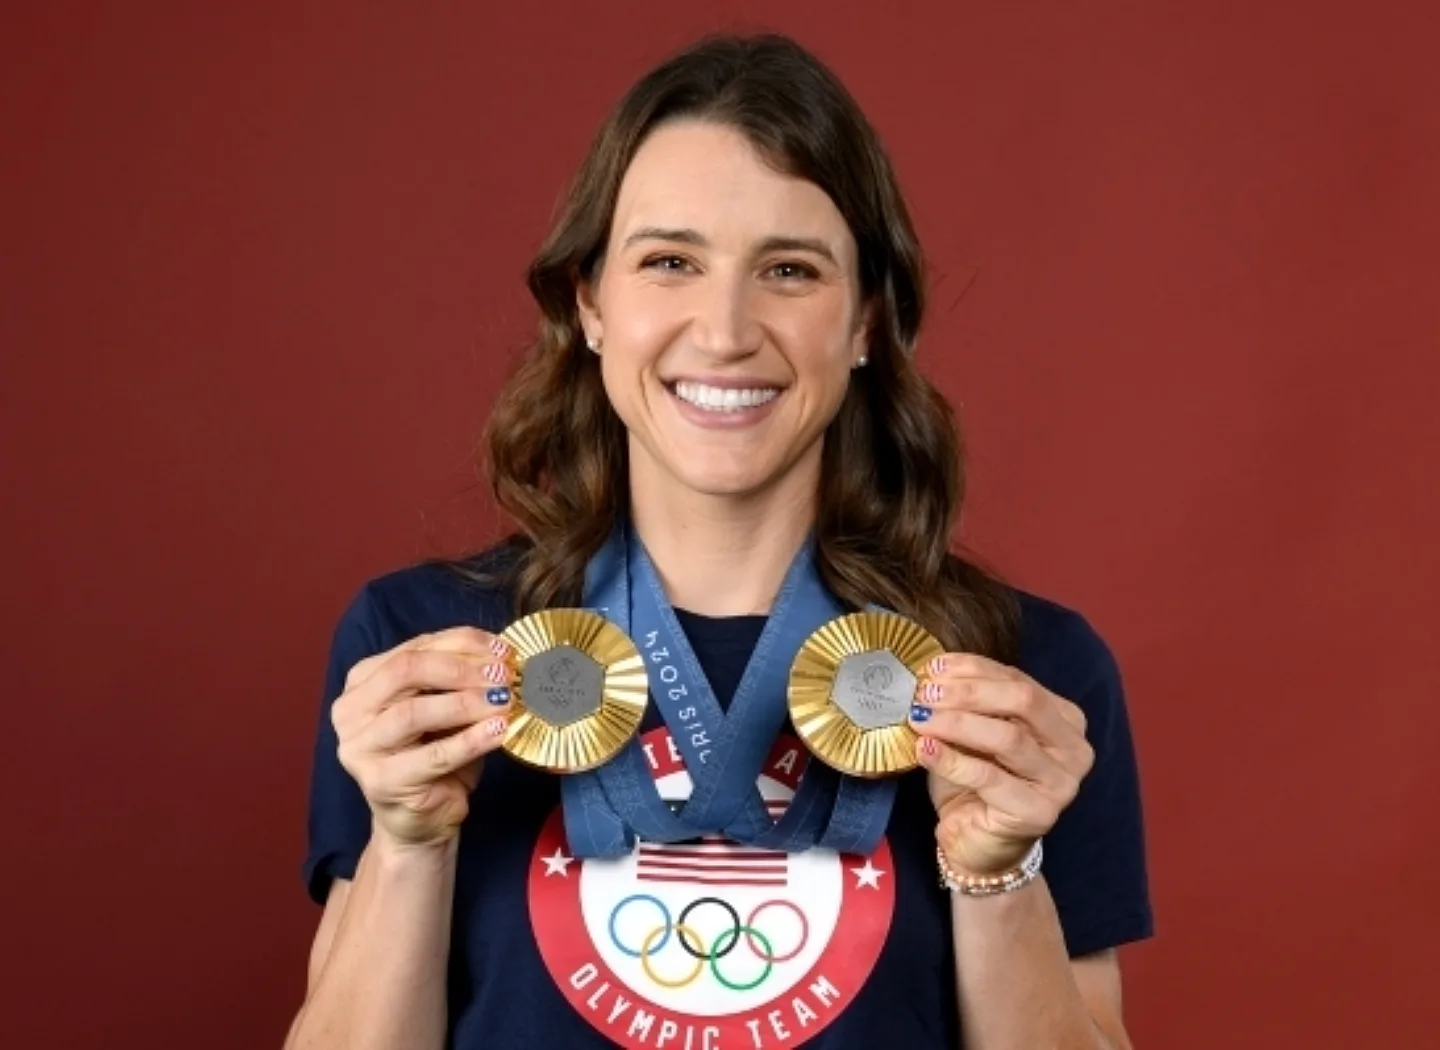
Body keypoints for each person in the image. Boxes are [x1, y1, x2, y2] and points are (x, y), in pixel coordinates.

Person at [285, 32, 1152, 1050]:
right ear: (591, 303)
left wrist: (997, 871)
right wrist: (408, 842)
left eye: (788, 270)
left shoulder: (1021, 681)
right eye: (669, 262)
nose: (726, 329)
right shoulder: (423, 651)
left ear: (868, 319)